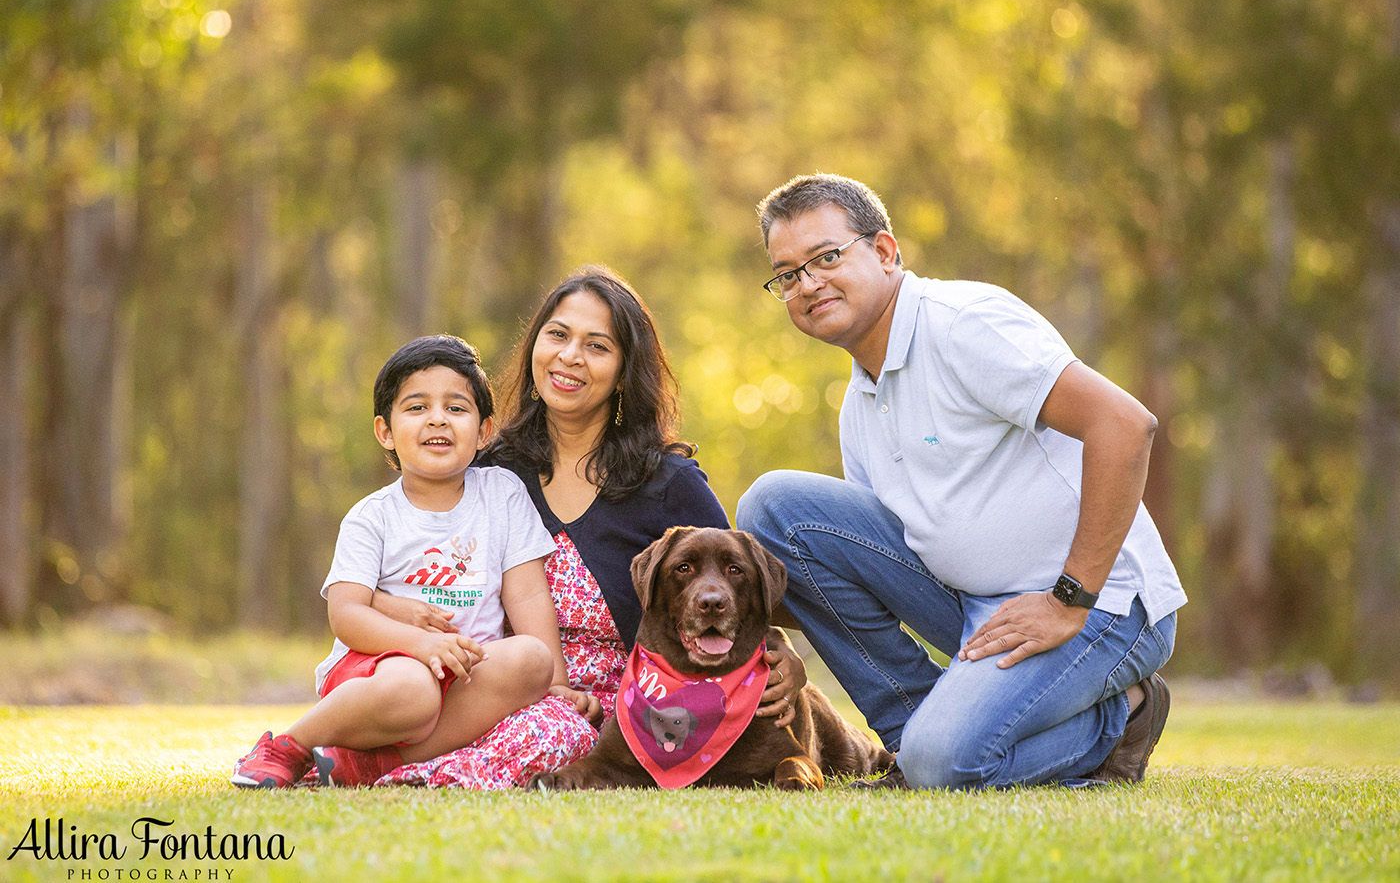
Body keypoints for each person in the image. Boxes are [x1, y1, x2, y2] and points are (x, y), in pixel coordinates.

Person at [736, 174, 1187, 790]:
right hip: (976, 604)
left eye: (826, 257)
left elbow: (1126, 426)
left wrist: (1069, 599)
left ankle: (1124, 715)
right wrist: (768, 640)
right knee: (774, 507)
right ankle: (916, 735)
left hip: (1101, 604)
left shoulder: (965, 324)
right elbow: (843, 575)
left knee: (942, 765)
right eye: (788, 274)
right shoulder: (859, 405)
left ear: (886, 251)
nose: (808, 284)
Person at [371, 266, 808, 788]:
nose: (570, 356)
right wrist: (394, 611)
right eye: (557, 335)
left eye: (597, 346)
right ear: (535, 345)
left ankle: (400, 773)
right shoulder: (489, 472)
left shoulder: (668, 481)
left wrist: (784, 656)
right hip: (487, 681)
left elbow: (735, 585)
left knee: (554, 736)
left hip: (615, 709)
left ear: (625, 371)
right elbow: (399, 572)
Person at [232, 335, 580, 788]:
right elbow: (346, 613)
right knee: (416, 691)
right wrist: (420, 646)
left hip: (464, 675)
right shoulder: (372, 516)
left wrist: (556, 683)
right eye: (417, 407)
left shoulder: (503, 494)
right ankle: (289, 745)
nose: (438, 418)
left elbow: (528, 592)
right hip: (378, 672)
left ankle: (369, 765)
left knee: (532, 660)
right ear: (386, 431)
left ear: (484, 431)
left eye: (456, 408)